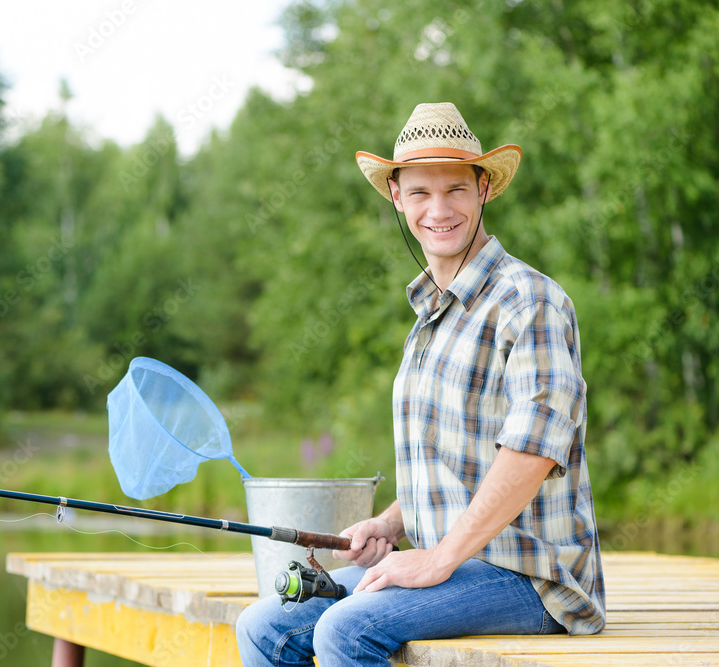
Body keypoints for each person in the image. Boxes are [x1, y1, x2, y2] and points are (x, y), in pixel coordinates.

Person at [235, 102, 606, 666]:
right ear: (396, 197)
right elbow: (452, 466)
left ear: (484, 188)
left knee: (346, 631)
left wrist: (437, 559)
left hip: (531, 578)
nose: (439, 209)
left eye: (456, 189)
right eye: (419, 193)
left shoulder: (529, 301)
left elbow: (531, 453)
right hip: (452, 565)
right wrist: (388, 525)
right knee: (264, 624)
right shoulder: (429, 315)